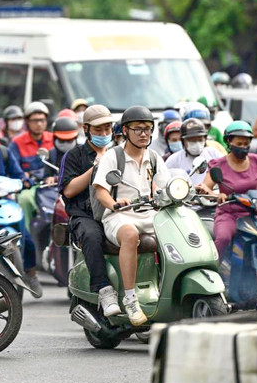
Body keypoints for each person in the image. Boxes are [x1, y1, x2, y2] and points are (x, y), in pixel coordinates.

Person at [92, 105, 170, 325]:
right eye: (137, 128)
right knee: (129, 235)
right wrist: (115, 204)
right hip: (119, 216)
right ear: (125, 130)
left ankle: (166, 288)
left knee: (176, 232)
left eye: (147, 128)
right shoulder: (112, 156)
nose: (144, 133)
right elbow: (101, 192)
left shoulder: (154, 157)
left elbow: (166, 186)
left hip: (148, 213)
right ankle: (130, 299)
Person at [57, 104, 120, 316]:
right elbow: (68, 190)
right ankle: (103, 289)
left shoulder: (118, 153)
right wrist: (95, 168)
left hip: (116, 211)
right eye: (98, 129)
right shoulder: (74, 155)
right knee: (93, 236)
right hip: (85, 216)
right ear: (86, 129)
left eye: (107, 129)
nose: (104, 134)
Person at [198, 121, 257, 258]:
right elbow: (206, 189)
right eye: (239, 144)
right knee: (223, 238)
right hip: (228, 214)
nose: (243, 147)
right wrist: (216, 195)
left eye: (246, 144)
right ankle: (214, 269)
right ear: (228, 142)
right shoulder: (219, 164)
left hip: (254, 214)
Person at [7, 101, 55, 187]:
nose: (39, 124)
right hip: (28, 186)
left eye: (42, 120)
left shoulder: (54, 139)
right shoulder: (17, 143)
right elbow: (13, 170)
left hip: (51, 185)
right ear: (27, 121)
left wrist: (54, 177)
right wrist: (24, 177)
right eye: (35, 121)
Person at [165, 118, 225, 186]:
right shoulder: (174, 160)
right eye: (192, 140)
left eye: (200, 139)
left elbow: (228, 171)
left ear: (205, 139)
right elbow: (164, 182)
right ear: (183, 141)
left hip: (213, 194)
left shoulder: (214, 154)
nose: (196, 143)